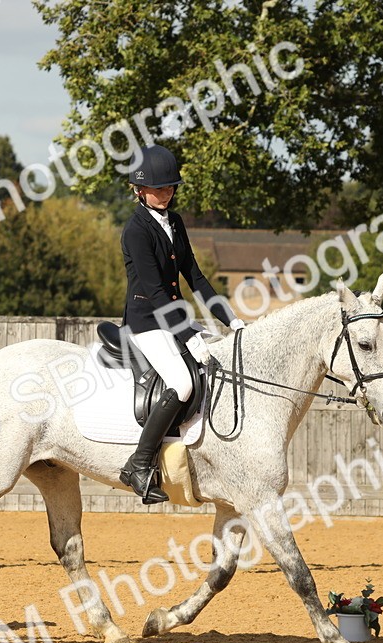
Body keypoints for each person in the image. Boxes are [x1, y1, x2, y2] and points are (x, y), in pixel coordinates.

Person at [119, 144, 245, 504]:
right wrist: (189, 335)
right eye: (159, 189)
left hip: (174, 318)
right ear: (139, 189)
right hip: (146, 322)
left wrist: (232, 320)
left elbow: (196, 277)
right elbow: (157, 293)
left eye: (171, 187)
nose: (166, 193)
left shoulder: (174, 221)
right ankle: (139, 464)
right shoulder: (136, 231)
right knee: (183, 383)